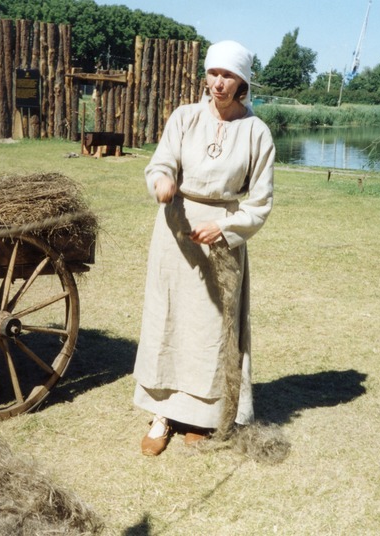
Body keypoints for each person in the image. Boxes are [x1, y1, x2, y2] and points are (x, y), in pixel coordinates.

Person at [133, 40, 275, 456]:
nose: (218, 83)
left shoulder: (256, 132)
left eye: (228, 75)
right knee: (170, 319)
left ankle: (203, 415)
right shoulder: (184, 117)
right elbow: (161, 163)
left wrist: (227, 227)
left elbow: (261, 201)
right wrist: (161, 182)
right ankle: (161, 415)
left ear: (242, 81)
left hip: (222, 236)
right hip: (176, 232)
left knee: (213, 328)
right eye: (213, 73)